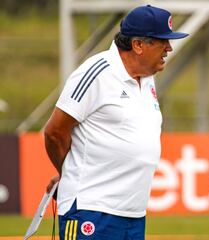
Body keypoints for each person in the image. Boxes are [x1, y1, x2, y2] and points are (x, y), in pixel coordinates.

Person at [44, 5, 188, 240]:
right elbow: (54, 132)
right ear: (138, 45)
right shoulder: (96, 73)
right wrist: (69, 172)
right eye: (162, 41)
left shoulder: (148, 79)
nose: (169, 48)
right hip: (91, 211)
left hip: (133, 214)